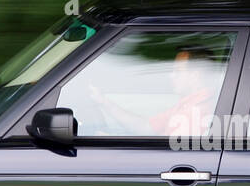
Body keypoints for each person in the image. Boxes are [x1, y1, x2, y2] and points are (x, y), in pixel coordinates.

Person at [87, 48, 217, 136]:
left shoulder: (195, 113)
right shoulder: (188, 104)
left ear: (195, 75)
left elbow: (165, 158)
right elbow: (146, 127)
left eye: (178, 71)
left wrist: (113, 146)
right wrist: (103, 102)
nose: (171, 76)